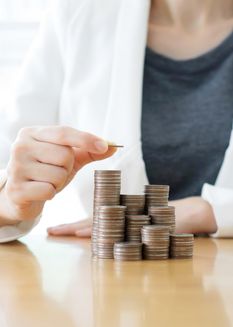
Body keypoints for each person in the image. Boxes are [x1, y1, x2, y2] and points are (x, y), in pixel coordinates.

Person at [1, 0, 233, 243]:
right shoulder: (77, 12)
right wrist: (10, 201)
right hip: (111, 276)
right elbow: (7, 164)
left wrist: (209, 211)